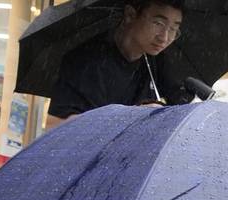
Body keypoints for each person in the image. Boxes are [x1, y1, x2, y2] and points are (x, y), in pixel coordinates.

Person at [46, 0, 190, 126]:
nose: (164, 38)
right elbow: (58, 125)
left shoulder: (156, 62)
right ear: (130, 15)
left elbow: (178, 105)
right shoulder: (86, 61)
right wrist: (132, 117)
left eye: (173, 29)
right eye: (158, 23)